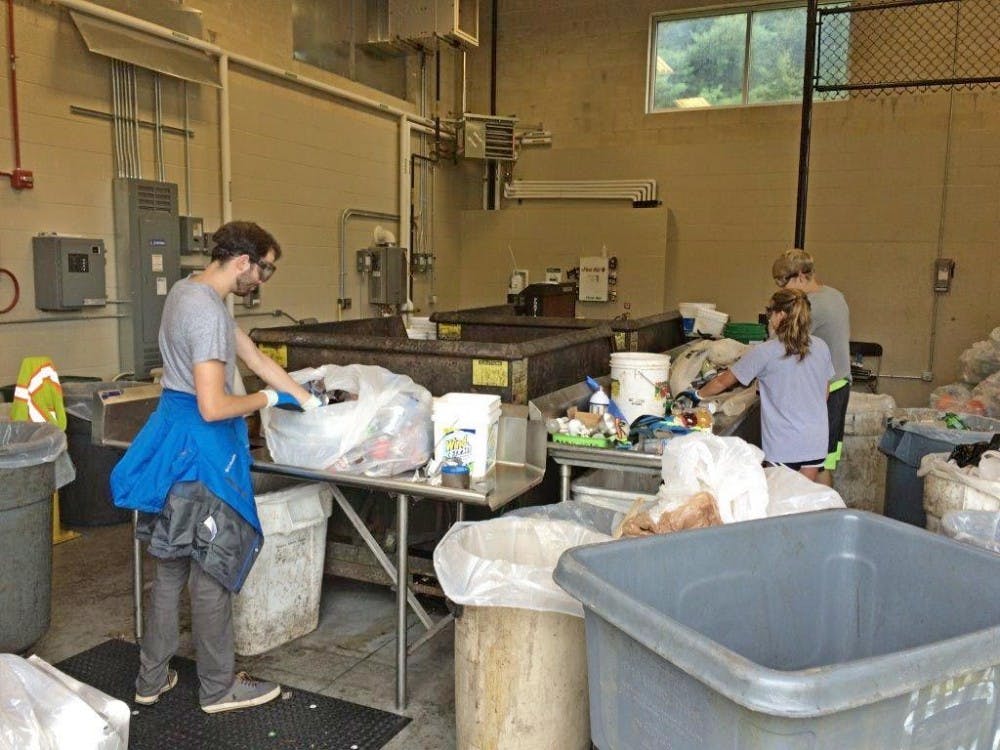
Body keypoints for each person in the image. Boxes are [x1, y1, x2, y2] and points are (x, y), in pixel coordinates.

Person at [111, 221, 320, 714]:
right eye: (264, 270)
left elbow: (251, 354)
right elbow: (212, 404)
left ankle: (150, 680)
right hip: (199, 456)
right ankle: (219, 689)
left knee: (168, 572)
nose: (263, 282)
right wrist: (267, 399)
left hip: (172, 444)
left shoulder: (191, 293)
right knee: (210, 574)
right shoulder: (207, 315)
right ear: (243, 262)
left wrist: (309, 399)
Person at [693, 288, 834, 481]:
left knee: (781, 501)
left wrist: (696, 395)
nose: (769, 320)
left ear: (781, 315)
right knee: (802, 500)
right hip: (815, 442)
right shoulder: (821, 347)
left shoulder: (765, 351)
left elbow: (721, 382)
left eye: (771, 314)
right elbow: (824, 393)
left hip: (784, 445)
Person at [771, 248, 851, 487]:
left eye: (785, 284)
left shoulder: (813, 307)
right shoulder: (835, 295)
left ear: (802, 277)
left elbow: (781, 345)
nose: (784, 291)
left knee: (813, 462)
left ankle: (817, 514)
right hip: (838, 384)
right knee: (822, 461)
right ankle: (821, 513)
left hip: (826, 391)